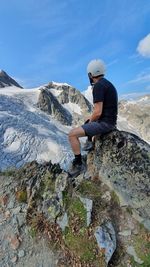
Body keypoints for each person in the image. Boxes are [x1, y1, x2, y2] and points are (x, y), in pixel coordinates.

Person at [68, 59, 118, 176]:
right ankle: (89, 142)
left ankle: (78, 163)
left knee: (72, 134)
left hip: (105, 124)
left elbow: (97, 112)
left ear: (90, 74)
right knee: (88, 122)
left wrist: (90, 122)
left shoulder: (98, 86)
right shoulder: (108, 84)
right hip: (111, 122)